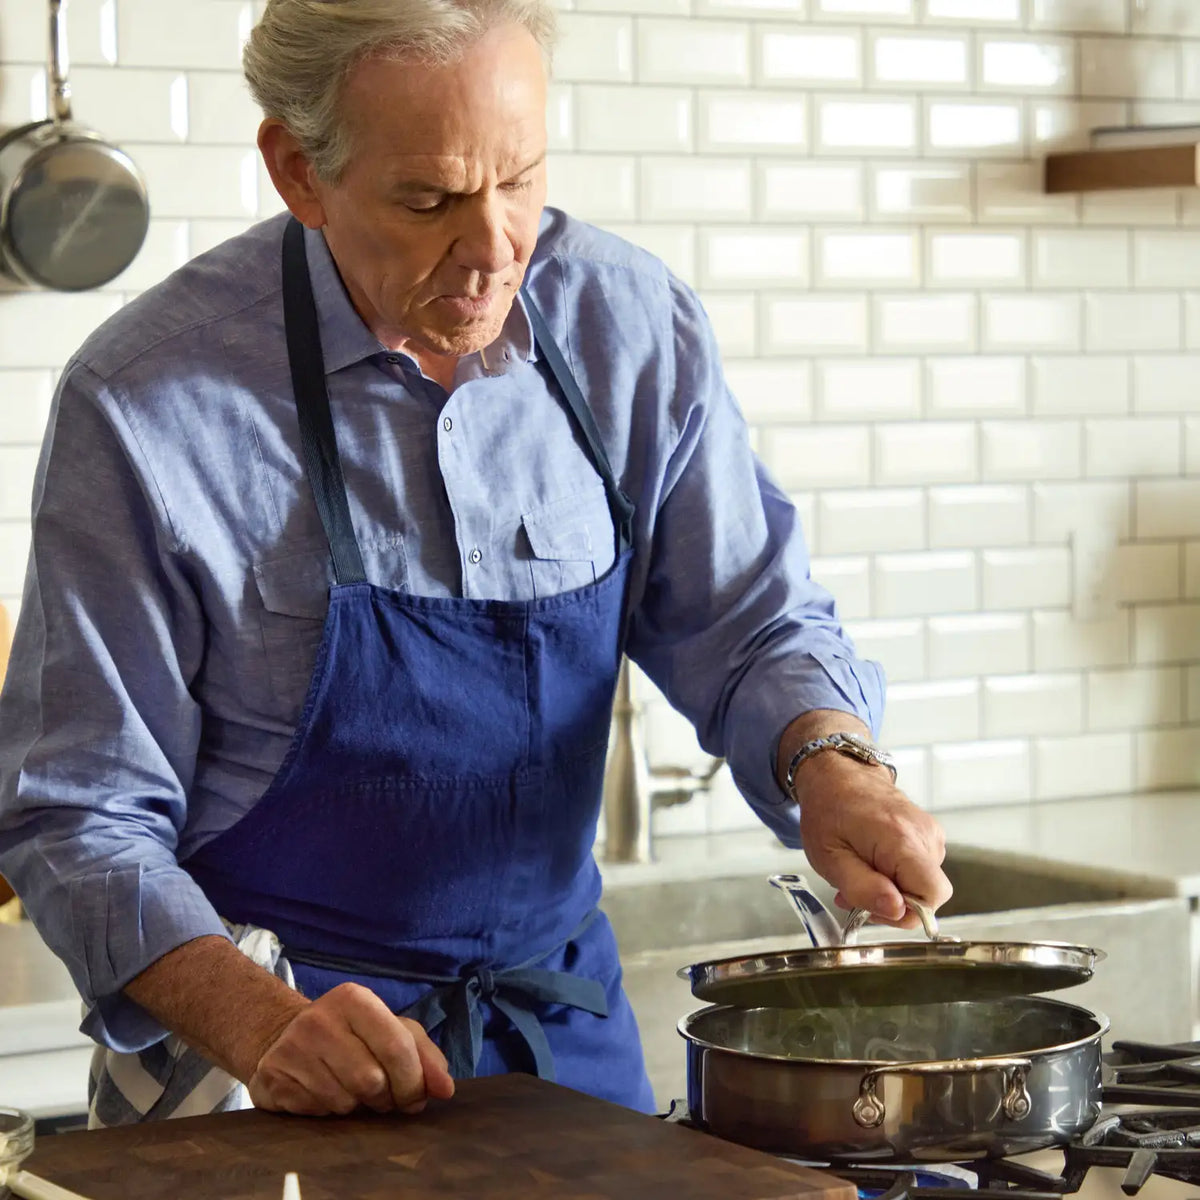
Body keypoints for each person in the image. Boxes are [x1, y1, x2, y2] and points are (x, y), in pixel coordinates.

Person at [0, 0, 951, 1125]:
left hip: (562, 1052)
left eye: (521, 177)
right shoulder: (148, 404)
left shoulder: (628, 327)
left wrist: (831, 760)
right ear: (298, 172)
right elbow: (75, 814)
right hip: (260, 1067)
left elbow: (750, 626)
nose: (497, 245)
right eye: (431, 199)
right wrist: (262, 1024)